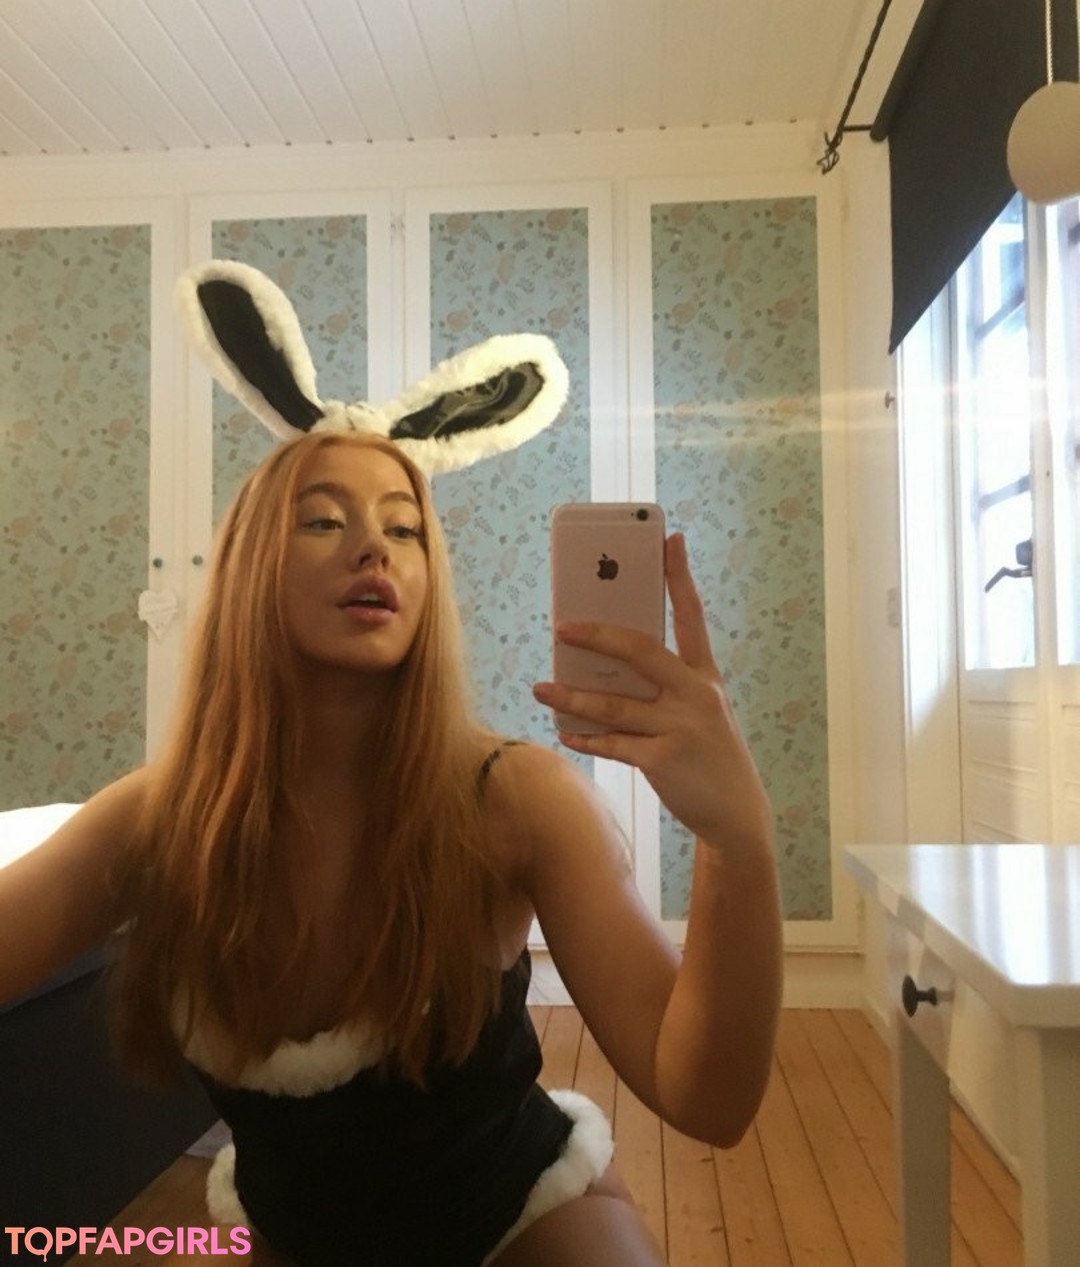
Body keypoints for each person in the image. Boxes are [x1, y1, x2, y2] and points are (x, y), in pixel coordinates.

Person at [0, 429, 783, 1266]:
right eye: (323, 520)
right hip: (293, 1233)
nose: (374, 546)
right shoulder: (157, 818)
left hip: (520, 1214)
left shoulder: (517, 799)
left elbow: (708, 1100)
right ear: (248, 567)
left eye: (404, 528)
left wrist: (735, 840)